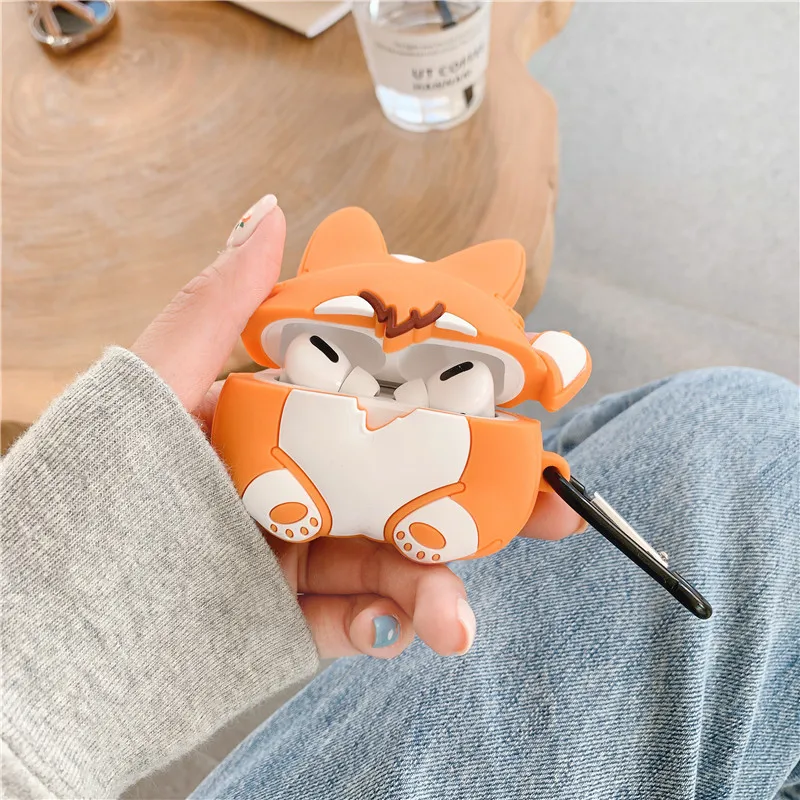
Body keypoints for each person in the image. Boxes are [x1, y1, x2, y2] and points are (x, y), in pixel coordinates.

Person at [2, 197, 798, 800]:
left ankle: (401, 509)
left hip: (429, 472)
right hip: (300, 456)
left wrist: (39, 679)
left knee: (749, 437)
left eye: (445, 373)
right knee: (757, 437)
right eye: (334, 353)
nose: (383, 384)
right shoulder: (260, 403)